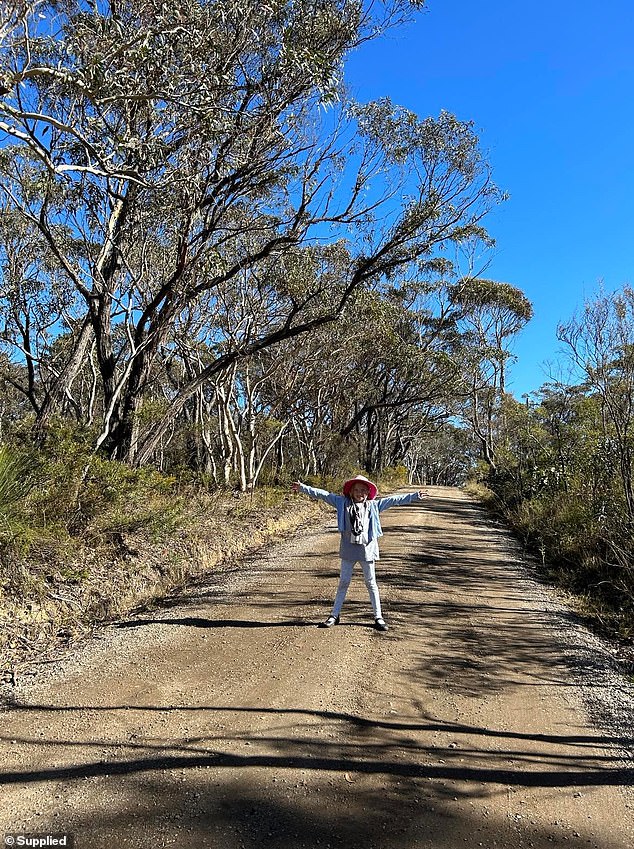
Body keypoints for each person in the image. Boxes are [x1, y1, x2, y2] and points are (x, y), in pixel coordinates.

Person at [292, 474, 429, 631]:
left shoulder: (373, 505)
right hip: (348, 549)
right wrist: (303, 488)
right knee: (343, 582)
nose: (360, 493)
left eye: (363, 490)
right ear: (350, 492)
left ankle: (378, 617)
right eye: (356, 490)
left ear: (368, 492)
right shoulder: (342, 502)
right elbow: (323, 494)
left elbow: (394, 500)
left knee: (371, 583)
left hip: (367, 550)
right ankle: (334, 615)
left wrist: (414, 496)